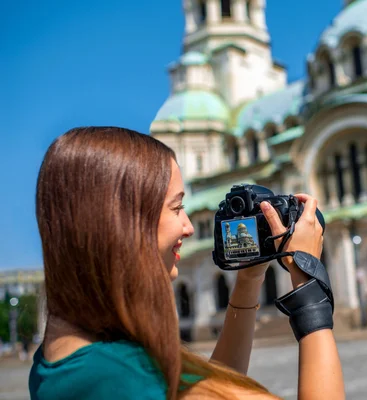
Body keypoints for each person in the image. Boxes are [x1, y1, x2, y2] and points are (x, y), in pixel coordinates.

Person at [29, 127, 345, 400]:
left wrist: (248, 281)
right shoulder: (124, 377)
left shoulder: (58, 358)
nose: (189, 226)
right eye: (177, 206)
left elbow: (213, 387)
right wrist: (307, 279)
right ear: (124, 223)